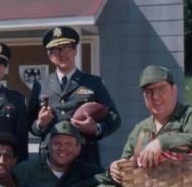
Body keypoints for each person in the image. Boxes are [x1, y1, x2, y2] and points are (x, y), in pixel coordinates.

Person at [27, 26, 121, 165]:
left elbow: (114, 118)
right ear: (51, 56)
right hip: (50, 160)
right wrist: (40, 124)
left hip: (84, 157)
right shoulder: (40, 85)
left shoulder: (93, 82)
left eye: (67, 48)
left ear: (75, 51)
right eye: (56, 50)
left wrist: (96, 128)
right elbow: (29, 123)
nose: (62, 54)